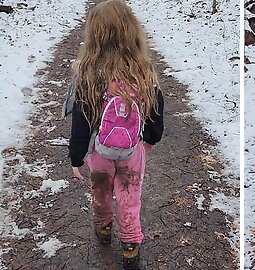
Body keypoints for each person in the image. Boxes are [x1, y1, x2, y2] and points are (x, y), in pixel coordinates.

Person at [68, 1, 164, 269]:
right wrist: (151, 140)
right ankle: (131, 246)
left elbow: (81, 121)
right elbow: (157, 110)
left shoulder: (90, 74)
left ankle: (104, 229)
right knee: (129, 197)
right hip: (132, 153)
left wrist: (76, 157)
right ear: (131, 31)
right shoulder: (143, 70)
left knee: (100, 193)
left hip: (100, 153)